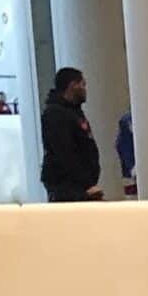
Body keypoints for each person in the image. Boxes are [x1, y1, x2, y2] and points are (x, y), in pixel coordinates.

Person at [38, 67, 104, 202]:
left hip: (82, 184)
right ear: (72, 86)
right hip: (67, 186)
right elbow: (65, 152)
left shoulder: (74, 112)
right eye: (82, 85)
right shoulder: (55, 114)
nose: (85, 89)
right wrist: (85, 182)